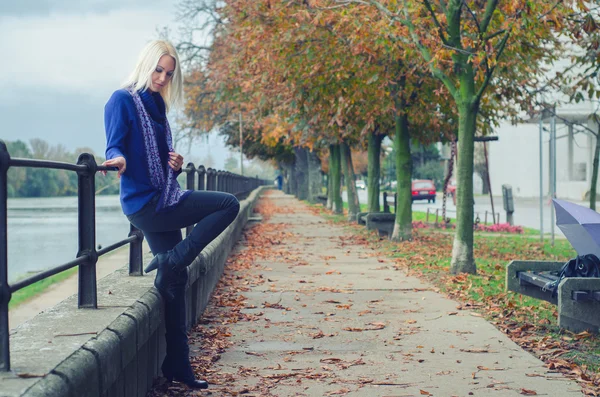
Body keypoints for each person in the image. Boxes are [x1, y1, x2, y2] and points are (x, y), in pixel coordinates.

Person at [103, 39, 240, 390]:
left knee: (173, 283)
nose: (162, 78)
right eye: (158, 70)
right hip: (147, 205)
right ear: (145, 64)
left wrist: (174, 165)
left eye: (168, 73)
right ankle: (173, 259)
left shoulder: (158, 107)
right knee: (228, 204)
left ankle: (178, 364)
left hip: (164, 195)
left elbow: (159, 161)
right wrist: (117, 158)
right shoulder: (122, 99)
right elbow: (115, 142)